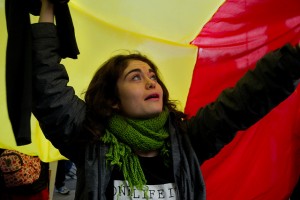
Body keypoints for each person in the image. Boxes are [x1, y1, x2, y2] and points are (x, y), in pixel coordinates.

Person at [31, 0, 300, 199]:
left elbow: (245, 101)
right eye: (135, 77)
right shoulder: (91, 140)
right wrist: (48, 8)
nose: (151, 82)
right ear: (113, 100)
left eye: (152, 76)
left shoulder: (188, 140)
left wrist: (293, 60)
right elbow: (48, 87)